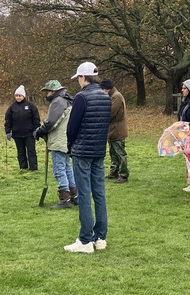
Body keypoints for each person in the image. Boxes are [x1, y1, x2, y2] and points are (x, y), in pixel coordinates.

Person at [63, 62, 111, 254]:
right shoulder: (105, 96)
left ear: (83, 77)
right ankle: (100, 237)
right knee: (99, 193)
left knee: (84, 194)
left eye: (78, 79)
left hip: (82, 151)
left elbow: (72, 127)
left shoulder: (81, 97)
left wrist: (70, 146)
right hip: (98, 150)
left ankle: (85, 240)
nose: (78, 82)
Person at [33, 80, 77, 209]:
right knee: (67, 168)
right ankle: (74, 195)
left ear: (53, 91)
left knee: (59, 169)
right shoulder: (68, 100)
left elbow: (51, 122)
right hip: (67, 139)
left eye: (47, 92)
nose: (46, 94)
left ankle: (65, 199)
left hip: (59, 140)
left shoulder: (58, 101)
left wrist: (39, 131)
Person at [4, 85, 41, 171]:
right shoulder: (12, 107)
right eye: (16, 96)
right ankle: (23, 167)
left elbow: (36, 118)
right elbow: (8, 120)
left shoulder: (31, 106)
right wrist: (8, 131)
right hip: (17, 134)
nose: (18, 97)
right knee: (21, 152)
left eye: (19, 96)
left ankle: (33, 168)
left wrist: (36, 129)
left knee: (31, 151)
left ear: (23, 96)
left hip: (29, 134)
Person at [100, 78, 129, 183]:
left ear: (106, 88)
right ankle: (114, 171)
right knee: (113, 152)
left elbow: (110, 113)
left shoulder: (116, 97)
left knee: (120, 152)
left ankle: (123, 174)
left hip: (118, 130)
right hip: (112, 130)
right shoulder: (112, 96)